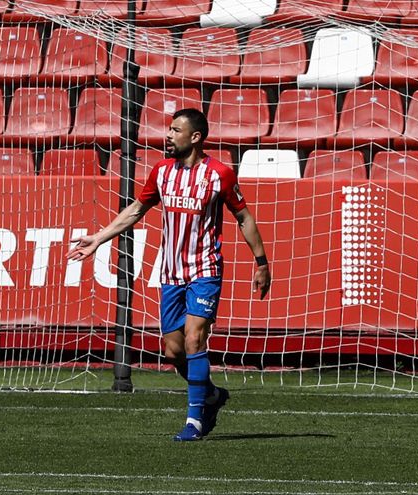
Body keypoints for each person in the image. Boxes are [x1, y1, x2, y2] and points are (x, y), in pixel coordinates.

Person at [66, 108, 271, 441]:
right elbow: (136, 210)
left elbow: (244, 217)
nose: (168, 135)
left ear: (195, 137)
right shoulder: (161, 172)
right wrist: (99, 238)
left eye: (176, 130)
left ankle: (195, 422)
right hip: (171, 273)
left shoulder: (219, 174)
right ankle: (212, 396)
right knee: (173, 352)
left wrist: (261, 262)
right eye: (169, 129)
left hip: (205, 268)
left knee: (194, 338)